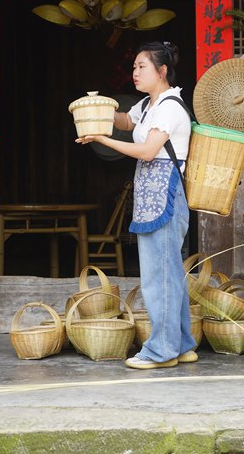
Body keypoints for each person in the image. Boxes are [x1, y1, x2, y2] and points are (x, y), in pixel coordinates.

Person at [76, 41, 197, 370]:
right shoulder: (148, 105)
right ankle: (182, 344)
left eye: (142, 67)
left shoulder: (170, 106)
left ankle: (161, 350)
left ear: (162, 71)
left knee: (160, 277)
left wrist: (101, 139)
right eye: (133, 68)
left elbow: (147, 151)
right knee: (168, 273)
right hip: (152, 198)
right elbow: (127, 121)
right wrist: (96, 113)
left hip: (167, 198)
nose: (135, 73)